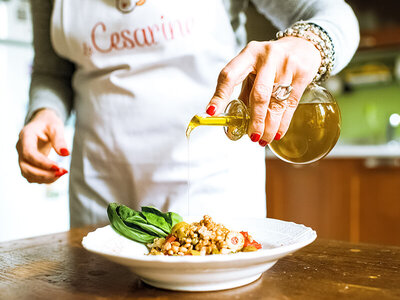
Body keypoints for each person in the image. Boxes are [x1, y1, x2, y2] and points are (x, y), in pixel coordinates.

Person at [16, 0, 359, 227]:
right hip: (100, 192)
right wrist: (45, 112)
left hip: (211, 188)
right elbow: (52, 71)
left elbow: (336, 15)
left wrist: (308, 42)